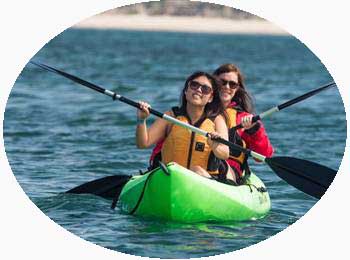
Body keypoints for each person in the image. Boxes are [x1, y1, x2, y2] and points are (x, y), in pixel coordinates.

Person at [149, 64, 274, 185]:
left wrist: (254, 130)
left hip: (221, 175)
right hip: (175, 171)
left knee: (209, 170)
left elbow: (263, 157)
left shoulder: (244, 118)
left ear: (238, 89)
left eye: (233, 84)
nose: (227, 87)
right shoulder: (184, 114)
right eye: (222, 82)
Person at [136, 71, 229, 179]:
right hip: (171, 177)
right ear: (186, 90)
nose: (199, 90)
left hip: (204, 180)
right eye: (194, 85)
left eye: (205, 89)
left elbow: (225, 154)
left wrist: (214, 146)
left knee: (197, 170)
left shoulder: (217, 120)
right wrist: (141, 120)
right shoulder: (170, 116)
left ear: (210, 98)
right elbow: (142, 144)